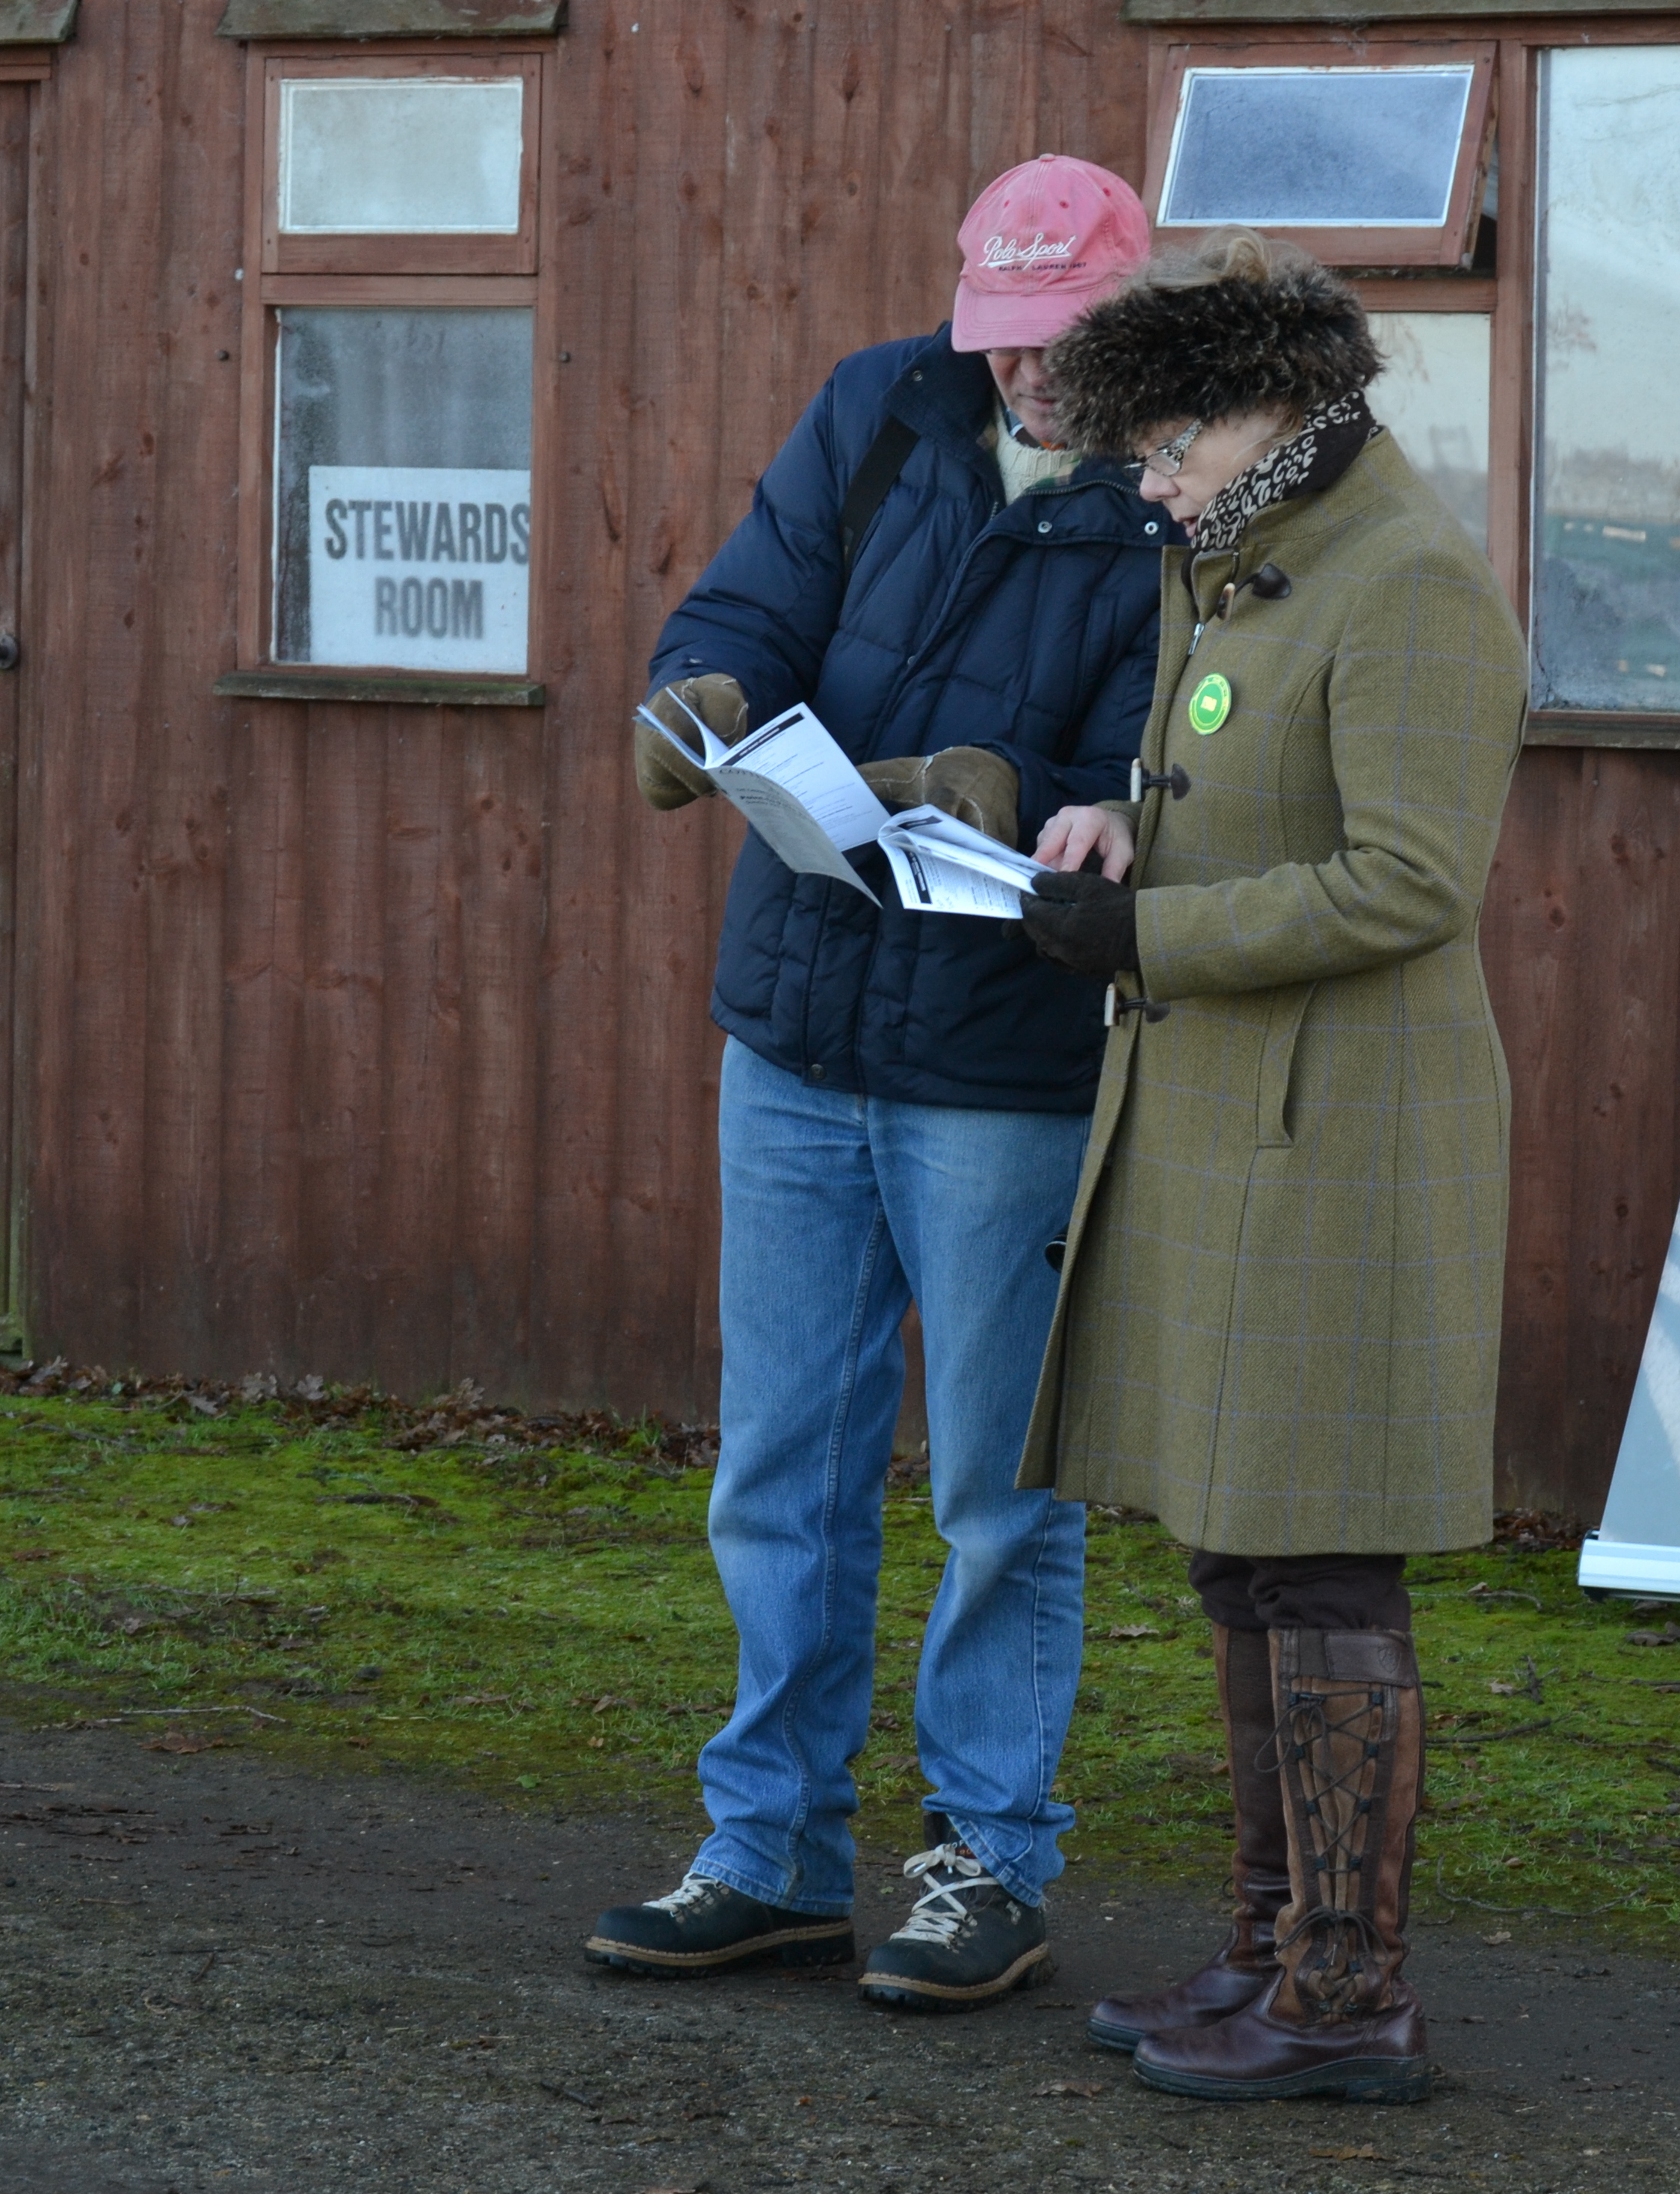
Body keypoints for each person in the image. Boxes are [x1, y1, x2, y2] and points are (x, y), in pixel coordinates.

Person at [581, 156, 1169, 2013]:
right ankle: (767, 1851)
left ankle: (990, 1861)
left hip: (1002, 1061)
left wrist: (1009, 792)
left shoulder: (1182, 493)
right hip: (799, 1028)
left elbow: (1158, 766)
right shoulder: (881, 401)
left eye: (1060, 341)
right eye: (1003, 335)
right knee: (780, 1472)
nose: (1026, 374)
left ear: (1134, 323)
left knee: (1000, 1492)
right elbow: (746, 607)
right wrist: (697, 698)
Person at [1010, 228, 1528, 2104]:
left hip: (1346, 1140)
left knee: (1316, 1565)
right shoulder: (1248, 564)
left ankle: (1342, 1994)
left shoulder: (1406, 583)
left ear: (1269, 407)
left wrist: (1149, 936)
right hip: (1242, 1122)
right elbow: (1247, 803)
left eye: (1168, 448)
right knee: (1242, 1556)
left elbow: (1407, 880)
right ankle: (1266, 1947)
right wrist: (1115, 830)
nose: (1151, 485)